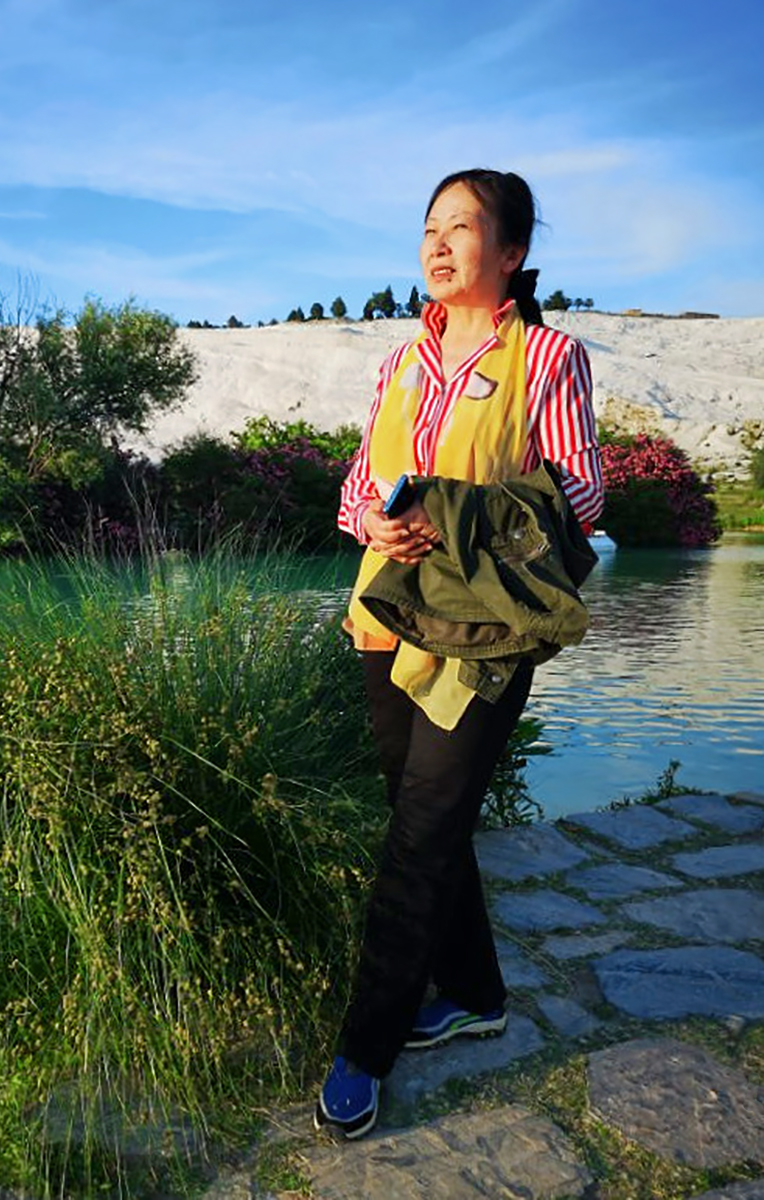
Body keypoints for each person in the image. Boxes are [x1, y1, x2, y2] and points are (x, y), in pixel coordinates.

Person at [314, 169, 604, 1139]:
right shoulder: (402, 361)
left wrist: (449, 512)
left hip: (482, 630)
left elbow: (582, 495)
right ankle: (477, 994)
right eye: (430, 227)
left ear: (512, 252)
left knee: (420, 832)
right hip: (385, 614)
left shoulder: (549, 357)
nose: (438, 244)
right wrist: (378, 520)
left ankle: (367, 1045)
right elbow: (359, 482)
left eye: (462, 227)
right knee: (424, 817)